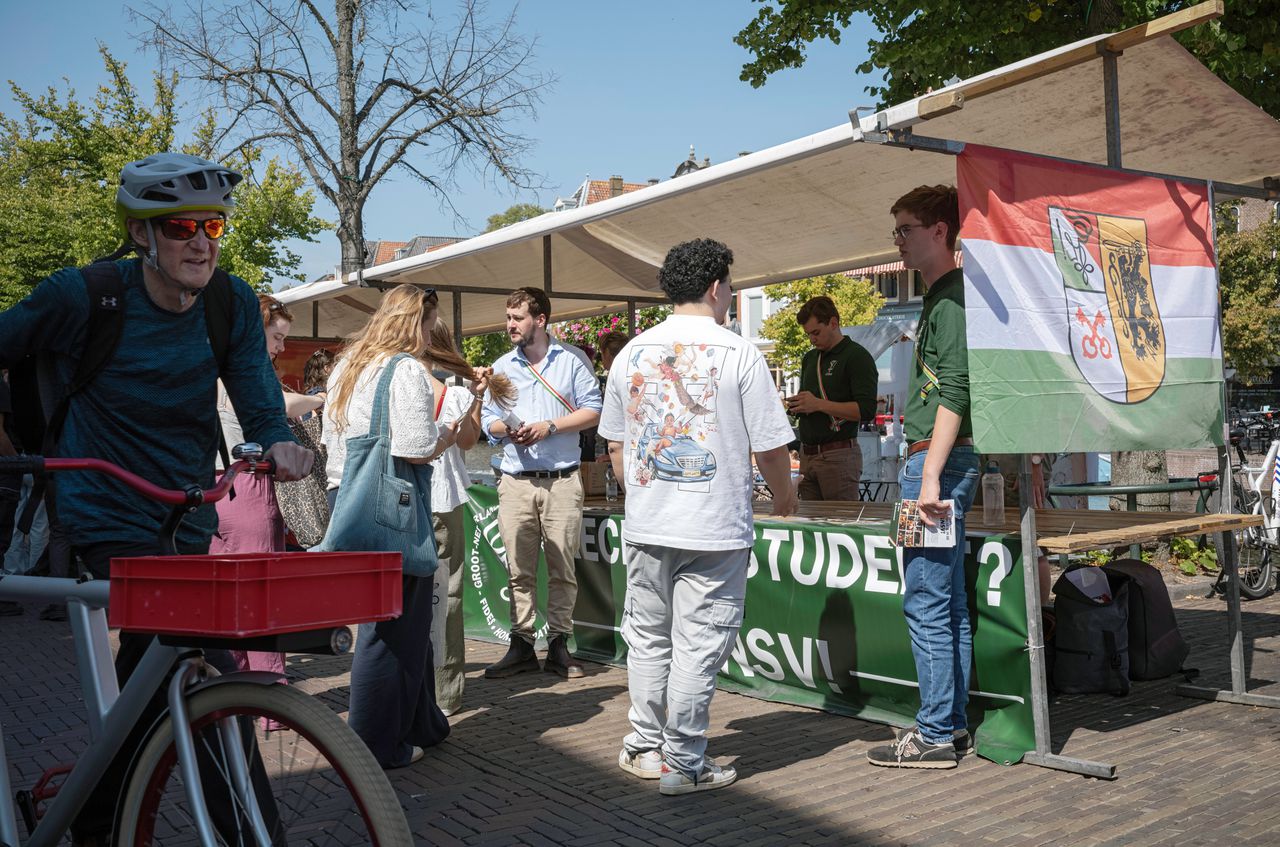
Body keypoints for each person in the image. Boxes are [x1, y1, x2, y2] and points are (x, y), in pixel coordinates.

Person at [0, 151, 312, 844]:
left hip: (187, 511)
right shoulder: (83, 295)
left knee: (151, 679)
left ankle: (91, 817)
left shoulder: (229, 302)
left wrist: (279, 446)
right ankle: (256, 835)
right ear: (141, 233)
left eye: (212, 225)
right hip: (101, 506)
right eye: (178, 227)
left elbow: (260, 411)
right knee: (204, 660)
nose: (199, 240)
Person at [598, 238, 797, 795]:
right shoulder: (738, 352)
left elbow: (614, 444)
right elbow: (772, 446)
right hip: (713, 525)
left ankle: (642, 745)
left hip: (647, 523)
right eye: (730, 287)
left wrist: (638, 493)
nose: (730, 296)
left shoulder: (631, 351)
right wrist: (784, 497)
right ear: (715, 287)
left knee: (649, 640)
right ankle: (683, 762)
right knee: (697, 645)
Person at [322, 284, 486, 769]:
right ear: (419, 320)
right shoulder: (406, 368)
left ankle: (423, 723)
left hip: (348, 496)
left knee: (398, 622)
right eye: (430, 320)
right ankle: (374, 744)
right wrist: (450, 436)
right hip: (392, 503)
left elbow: (336, 440)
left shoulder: (348, 364)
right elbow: (415, 447)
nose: (433, 330)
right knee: (393, 627)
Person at [866, 184, 980, 770]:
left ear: (939, 230)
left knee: (928, 603)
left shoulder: (952, 300)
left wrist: (929, 473)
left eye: (906, 229)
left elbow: (956, 389)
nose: (899, 242)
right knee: (948, 603)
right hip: (938, 460)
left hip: (934, 462)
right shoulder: (945, 297)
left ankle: (934, 733)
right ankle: (949, 725)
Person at [481, 287, 602, 680]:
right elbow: (488, 422)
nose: (510, 324)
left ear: (541, 320)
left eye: (517, 318)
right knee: (518, 569)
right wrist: (507, 430)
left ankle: (560, 645)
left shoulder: (572, 360)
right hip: (515, 480)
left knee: (562, 567)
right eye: (508, 317)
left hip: (562, 479)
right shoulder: (502, 365)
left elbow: (594, 409)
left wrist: (549, 427)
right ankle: (521, 644)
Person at [213, 294, 324, 686]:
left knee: (225, 595)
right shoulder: (245, 373)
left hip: (212, 488)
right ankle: (268, 693)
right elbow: (279, 404)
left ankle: (233, 684)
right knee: (261, 593)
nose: (281, 348)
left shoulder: (213, 367)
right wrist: (320, 398)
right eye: (276, 338)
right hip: (246, 485)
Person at [426, 321, 487, 716]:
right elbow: (469, 441)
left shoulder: (380, 377)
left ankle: (405, 687)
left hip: (402, 497)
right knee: (445, 594)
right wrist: (475, 399)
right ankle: (445, 692)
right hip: (441, 495)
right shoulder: (450, 392)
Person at [788, 296, 878, 501]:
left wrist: (818, 404)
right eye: (808, 334)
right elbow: (810, 400)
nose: (812, 339)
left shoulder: (857, 356)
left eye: (816, 332)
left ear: (833, 323)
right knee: (811, 528)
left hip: (838, 455)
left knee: (840, 525)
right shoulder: (810, 358)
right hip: (807, 453)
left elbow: (866, 410)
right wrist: (798, 405)